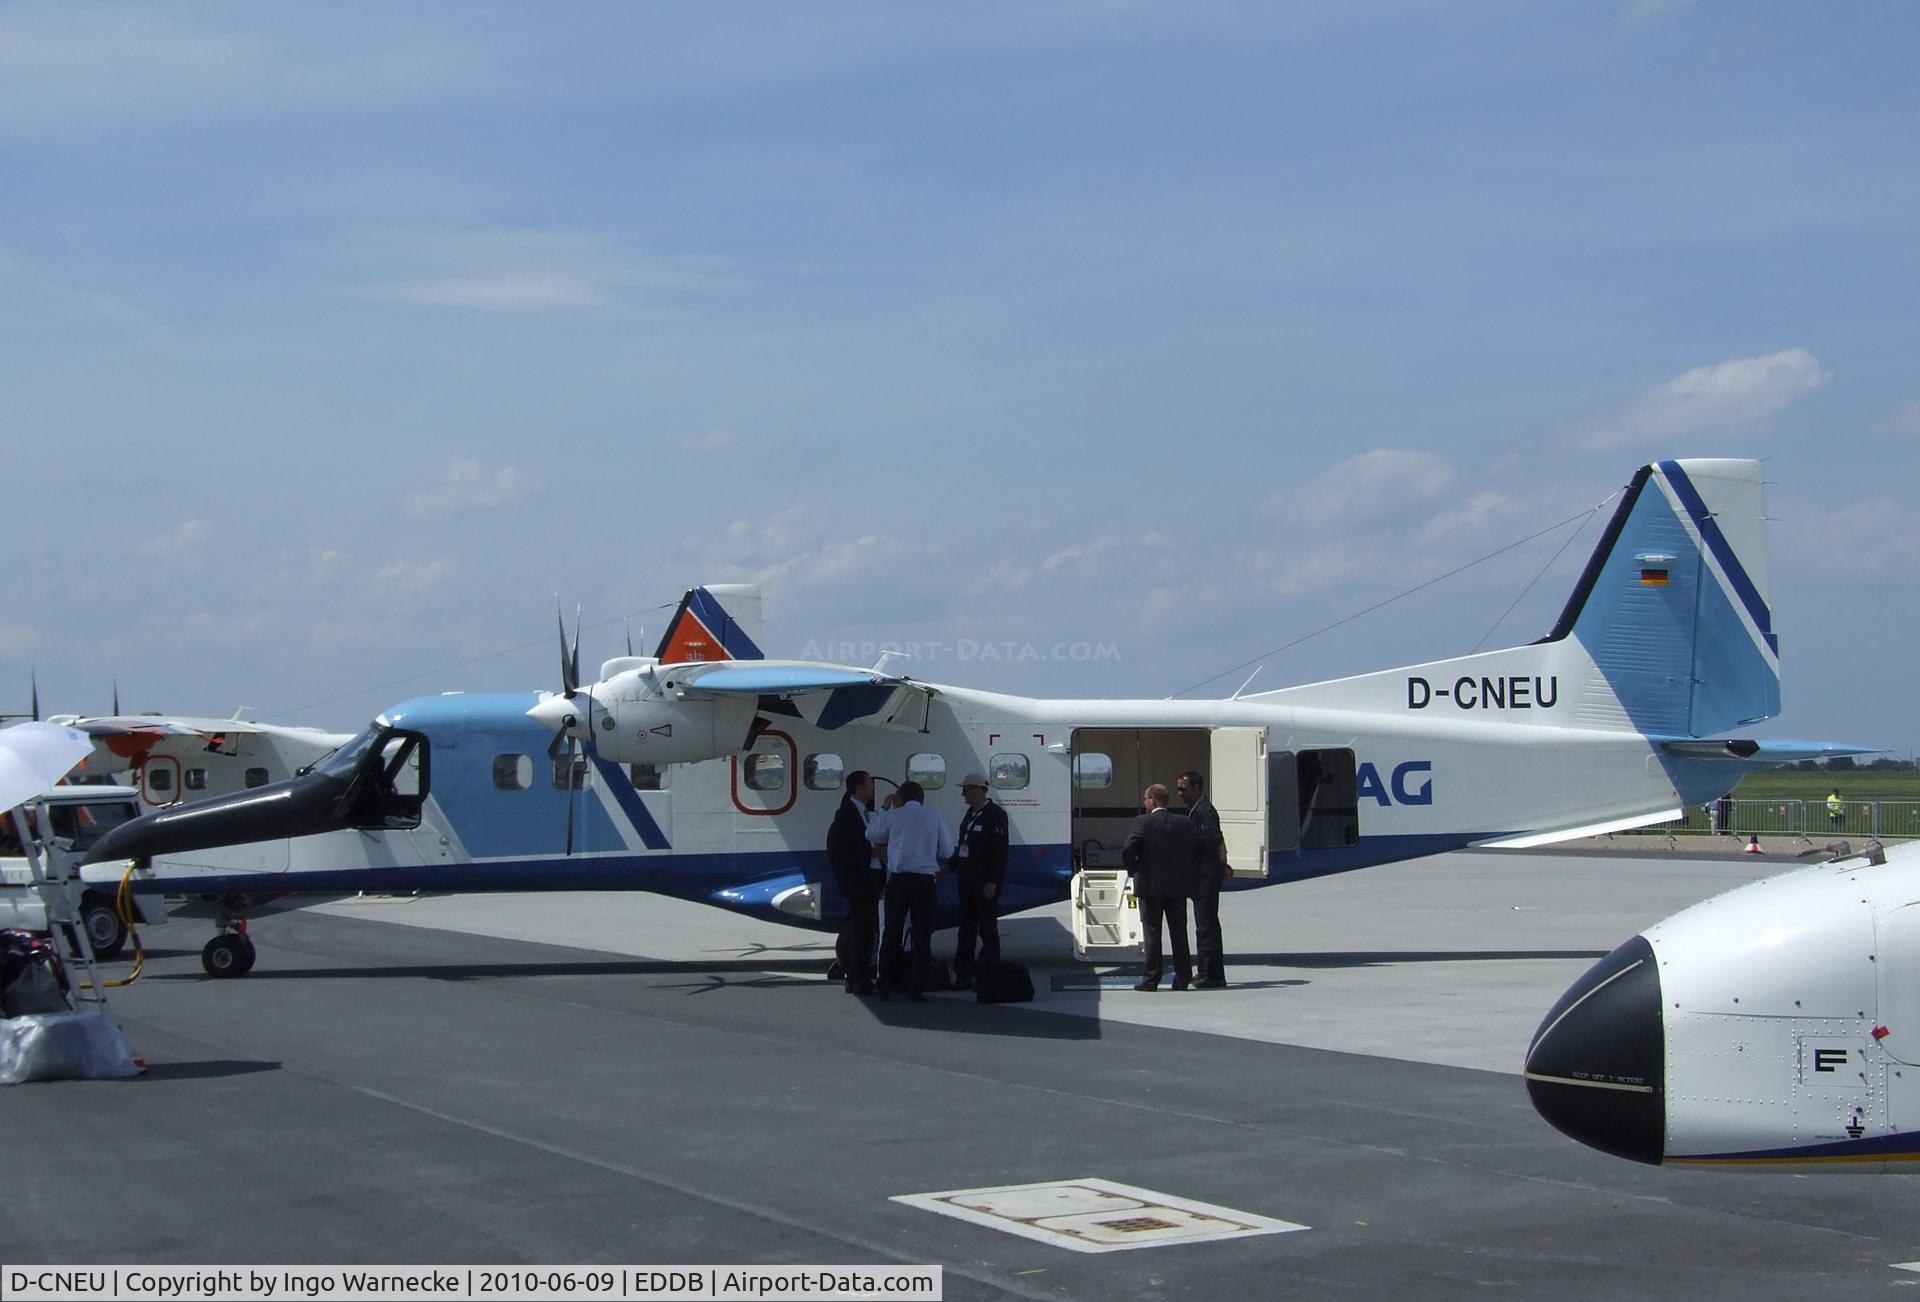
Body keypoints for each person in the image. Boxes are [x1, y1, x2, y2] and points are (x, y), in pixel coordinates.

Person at [868, 780, 953, 1002]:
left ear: (900, 798)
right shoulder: (934, 817)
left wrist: (885, 809)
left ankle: (885, 986)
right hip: (925, 881)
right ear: (922, 798)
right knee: (922, 937)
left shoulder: (893, 816)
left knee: (891, 933)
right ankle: (917, 989)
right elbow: (947, 849)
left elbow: (871, 834)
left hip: (899, 880)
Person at [1123, 783, 1203, 991]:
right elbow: (1196, 849)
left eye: (1146, 799)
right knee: (1178, 933)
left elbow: (1129, 848)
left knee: (1152, 933)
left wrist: (1133, 869)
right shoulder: (1184, 822)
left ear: (1154, 800)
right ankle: (1184, 977)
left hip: (1150, 886)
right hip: (1177, 886)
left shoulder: (1143, 822)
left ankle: (1151, 979)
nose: (1144, 803)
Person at [952, 772, 1010, 990]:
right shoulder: (970, 814)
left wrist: (993, 881)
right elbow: (963, 846)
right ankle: (963, 974)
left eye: (966, 789)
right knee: (965, 930)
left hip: (984, 883)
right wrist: (950, 865)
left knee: (987, 929)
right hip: (966, 882)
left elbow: (1000, 852)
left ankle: (990, 973)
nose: (963, 794)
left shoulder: (995, 815)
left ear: (978, 790)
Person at [828, 770, 882, 995]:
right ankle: (859, 979)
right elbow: (843, 848)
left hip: (861, 881)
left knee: (862, 930)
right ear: (860, 787)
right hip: (858, 882)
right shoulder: (847, 814)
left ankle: (855, 976)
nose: (872, 788)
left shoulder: (857, 812)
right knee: (862, 931)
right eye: (870, 784)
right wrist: (873, 852)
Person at [1176, 769, 1229, 988]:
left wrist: (1222, 864)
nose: (1180, 793)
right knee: (1204, 925)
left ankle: (1212, 974)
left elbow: (1215, 839)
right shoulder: (1193, 810)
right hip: (1200, 873)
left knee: (1206, 926)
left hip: (1206, 874)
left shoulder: (1205, 811)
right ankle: (1206, 971)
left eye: (1184, 789)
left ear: (1197, 788)